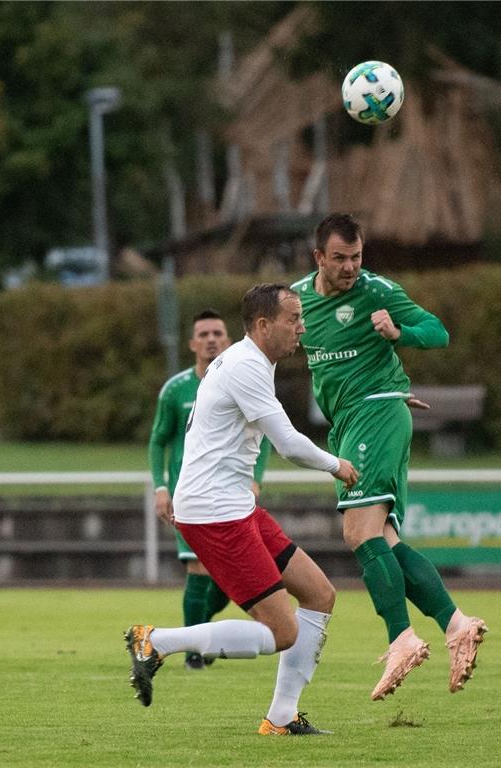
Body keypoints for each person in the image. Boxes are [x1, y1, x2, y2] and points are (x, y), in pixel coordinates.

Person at [126, 283, 359, 736]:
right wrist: (337, 465)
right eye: (293, 319)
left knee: (319, 594)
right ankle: (154, 642)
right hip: (216, 512)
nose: (301, 328)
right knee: (282, 632)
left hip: (234, 505)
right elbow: (288, 443)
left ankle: (281, 717)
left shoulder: (250, 362)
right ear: (262, 325)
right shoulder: (246, 365)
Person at [292, 213, 487, 701]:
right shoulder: (297, 301)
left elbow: (438, 331)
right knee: (384, 539)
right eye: (339, 258)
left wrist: (400, 332)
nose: (350, 267)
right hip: (353, 422)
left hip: (375, 414)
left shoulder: (377, 291)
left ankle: (401, 639)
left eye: (356, 257)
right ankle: (456, 623)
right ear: (319, 257)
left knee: (358, 531)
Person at [148, 309, 272, 671]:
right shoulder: (175, 390)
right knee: (199, 569)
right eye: (203, 334)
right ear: (191, 343)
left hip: (233, 496)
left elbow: (263, 436)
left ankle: (195, 638)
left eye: (218, 332)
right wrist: (160, 487)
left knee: (227, 580)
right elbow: (158, 441)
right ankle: (192, 654)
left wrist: (255, 478)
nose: (211, 339)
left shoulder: (242, 381)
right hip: (193, 497)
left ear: (229, 340)